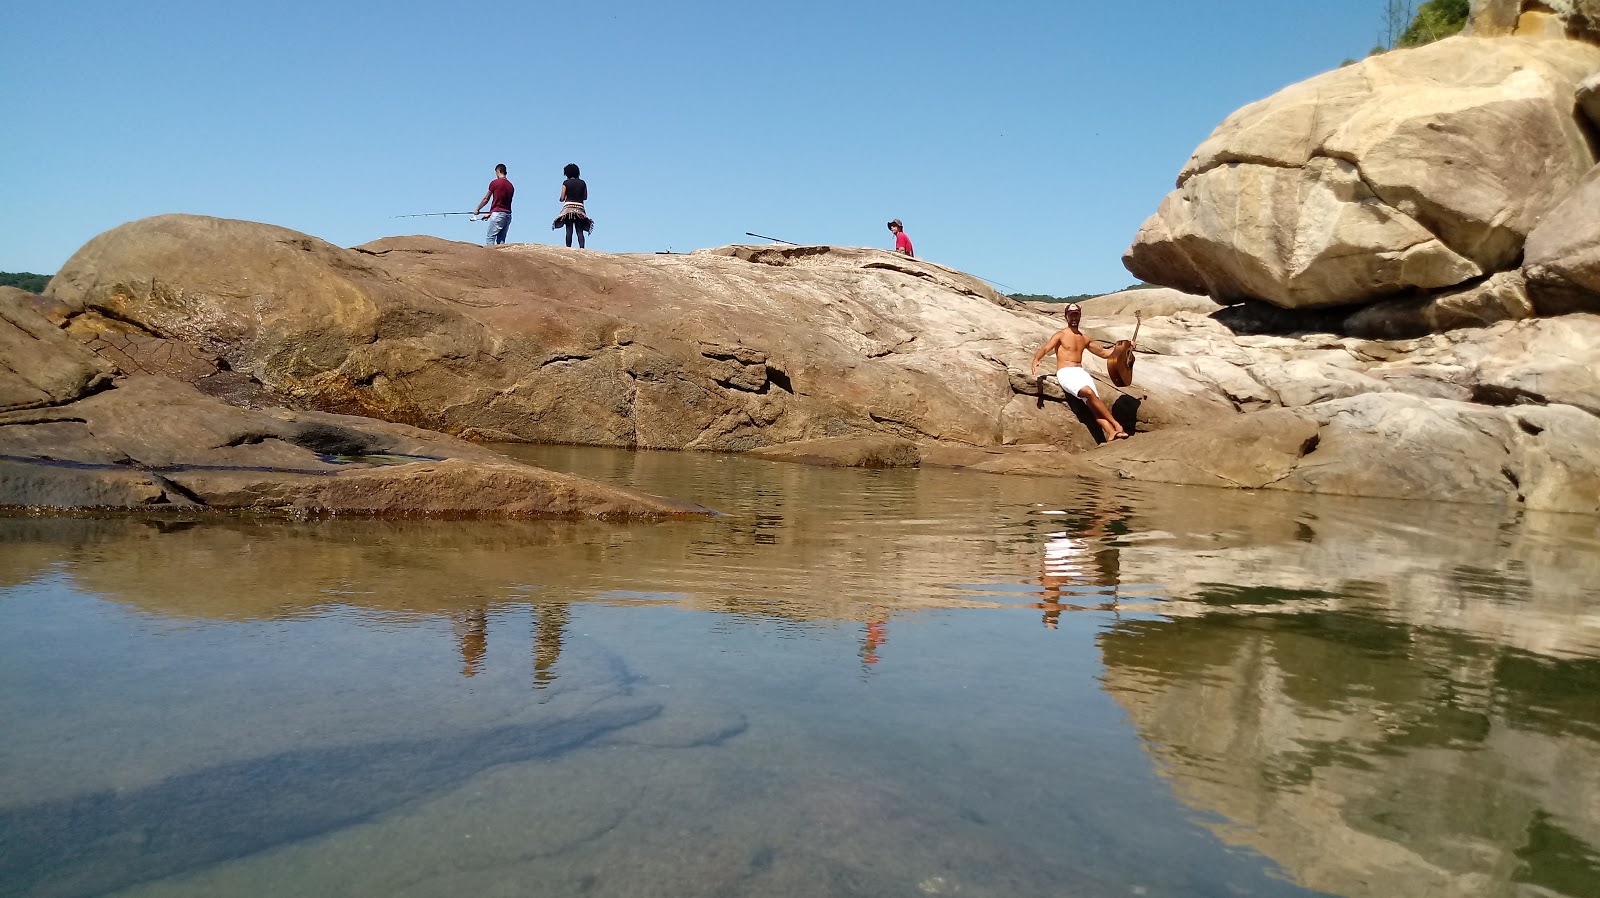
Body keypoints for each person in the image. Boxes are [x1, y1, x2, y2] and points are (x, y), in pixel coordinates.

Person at [1030, 303, 1131, 441]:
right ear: (1066, 317)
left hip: (1080, 372)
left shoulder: (1084, 338)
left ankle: (1111, 432)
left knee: (1093, 403)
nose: (1074, 318)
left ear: (1079, 316)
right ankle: (1116, 425)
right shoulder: (1060, 335)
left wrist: (1127, 348)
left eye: (1076, 315)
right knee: (1089, 393)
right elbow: (1046, 348)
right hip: (1065, 373)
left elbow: (1104, 353)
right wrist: (1036, 359)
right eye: (1071, 315)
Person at [552, 163, 593, 248]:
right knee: (579, 230)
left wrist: (560, 199)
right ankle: (582, 248)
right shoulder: (583, 183)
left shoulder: (565, 183)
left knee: (569, 229)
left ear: (567, 173)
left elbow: (562, 197)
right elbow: (585, 197)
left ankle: (568, 248)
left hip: (568, 209)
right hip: (579, 209)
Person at [473, 164, 514, 245]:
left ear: (498, 171)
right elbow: (502, 203)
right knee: (501, 241)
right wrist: (490, 213)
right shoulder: (510, 186)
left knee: (490, 238)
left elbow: (486, 199)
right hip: (507, 215)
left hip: (497, 215)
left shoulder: (495, 183)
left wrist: (477, 209)